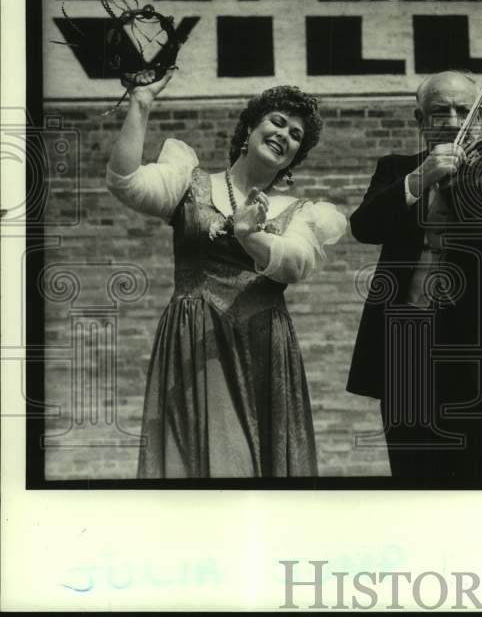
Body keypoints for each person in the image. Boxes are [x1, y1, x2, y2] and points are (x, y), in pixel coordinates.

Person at [106, 70, 347, 478]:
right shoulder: (189, 183)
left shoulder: (300, 212)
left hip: (262, 348)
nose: (284, 134)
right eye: (276, 121)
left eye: (295, 134)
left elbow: (295, 262)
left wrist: (250, 236)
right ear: (249, 127)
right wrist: (141, 104)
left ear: (295, 157)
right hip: (196, 344)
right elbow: (125, 181)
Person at [348, 70, 482, 480]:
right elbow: (364, 227)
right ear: (420, 119)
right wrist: (421, 177)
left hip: (481, 349)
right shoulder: (395, 169)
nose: (455, 122)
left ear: (480, 119)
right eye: (441, 112)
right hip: (405, 348)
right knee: (412, 474)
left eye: (465, 111)